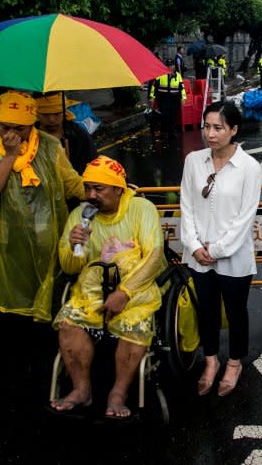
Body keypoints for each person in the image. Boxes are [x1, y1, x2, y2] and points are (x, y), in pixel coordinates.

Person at [51, 155, 164, 418]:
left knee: (134, 326)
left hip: (135, 290)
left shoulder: (140, 209)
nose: (91, 195)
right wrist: (73, 245)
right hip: (91, 293)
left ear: (118, 189)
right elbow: (69, 268)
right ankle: (82, 389)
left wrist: (124, 293)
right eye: (88, 188)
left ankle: (118, 393)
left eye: (98, 189)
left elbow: (154, 255)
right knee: (69, 322)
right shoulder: (80, 216)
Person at [0, 91, 84, 324]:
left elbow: (72, 185)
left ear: (32, 124)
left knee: (48, 300)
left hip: (45, 237)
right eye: (5, 127)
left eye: (20, 129)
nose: (11, 134)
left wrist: (107, 188)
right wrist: (9, 156)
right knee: (10, 308)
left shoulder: (49, 145)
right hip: (5, 241)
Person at [180, 101, 262, 397]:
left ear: (234, 130)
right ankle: (211, 361)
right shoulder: (194, 161)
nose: (210, 134)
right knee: (207, 311)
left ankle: (235, 363)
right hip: (197, 255)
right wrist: (193, 245)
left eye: (218, 128)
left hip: (234, 258)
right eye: (206, 126)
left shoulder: (249, 168)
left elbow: (245, 218)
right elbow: (186, 206)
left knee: (236, 311)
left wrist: (216, 249)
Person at [34, 93, 97, 174]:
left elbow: (92, 165)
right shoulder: (30, 136)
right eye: (45, 115)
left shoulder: (78, 134)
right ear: (37, 114)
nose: (51, 120)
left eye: (57, 114)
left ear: (64, 112)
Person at [149, 60, 187, 139]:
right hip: (163, 99)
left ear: (174, 66)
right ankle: (164, 132)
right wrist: (152, 97)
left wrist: (183, 98)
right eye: (168, 65)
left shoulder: (178, 75)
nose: (170, 67)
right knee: (164, 116)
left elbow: (182, 88)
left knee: (173, 116)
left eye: (172, 65)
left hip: (174, 99)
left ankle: (172, 132)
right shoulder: (160, 74)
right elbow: (154, 86)